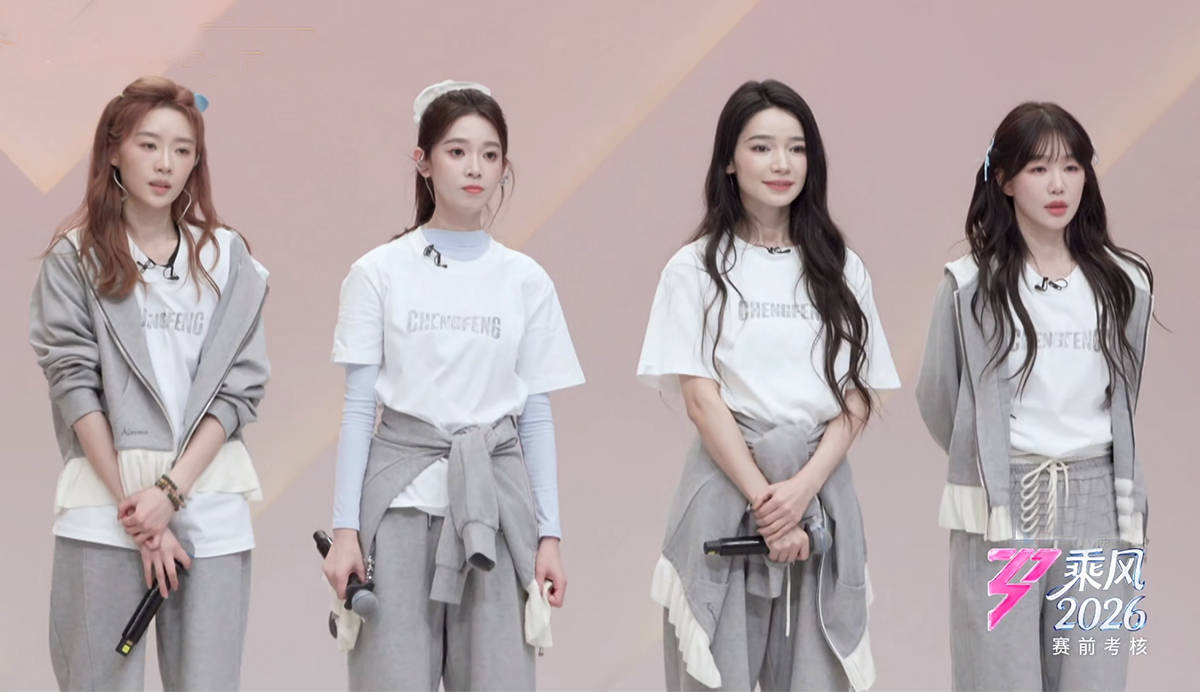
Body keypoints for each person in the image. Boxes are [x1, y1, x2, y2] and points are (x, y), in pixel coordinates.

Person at [321, 79, 585, 690]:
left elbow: (535, 416)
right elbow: (358, 410)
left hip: (495, 514)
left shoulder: (526, 280)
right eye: (457, 151)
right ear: (423, 162)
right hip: (398, 512)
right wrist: (344, 533)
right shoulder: (378, 272)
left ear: (504, 167)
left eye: (490, 155)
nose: (475, 168)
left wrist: (549, 535)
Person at [637, 79, 900, 690]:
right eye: (761, 147)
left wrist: (802, 492)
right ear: (729, 161)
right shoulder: (695, 267)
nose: (782, 164)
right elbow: (701, 400)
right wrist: (768, 505)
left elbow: (858, 396)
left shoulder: (841, 267)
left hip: (821, 500)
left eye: (796, 148)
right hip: (726, 493)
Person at [30, 75, 269, 690]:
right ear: (114, 151)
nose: (166, 164)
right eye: (149, 145)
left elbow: (239, 389)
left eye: (183, 150)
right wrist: (138, 512)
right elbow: (73, 384)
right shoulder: (75, 258)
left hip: (208, 500)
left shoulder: (227, 258)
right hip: (105, 507)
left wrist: (169, 493)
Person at [916, 102, 1154, 691]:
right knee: (999, 676)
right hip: (1006, 505)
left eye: (1072, 167)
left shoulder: (1125, 282)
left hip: (1099, 506)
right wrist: (990, 453)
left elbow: (1124, 396)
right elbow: (940, 397)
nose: (1058, 185)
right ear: (1003, 179)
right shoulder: (970, 285)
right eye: (1039, 168)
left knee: (1095, 677)